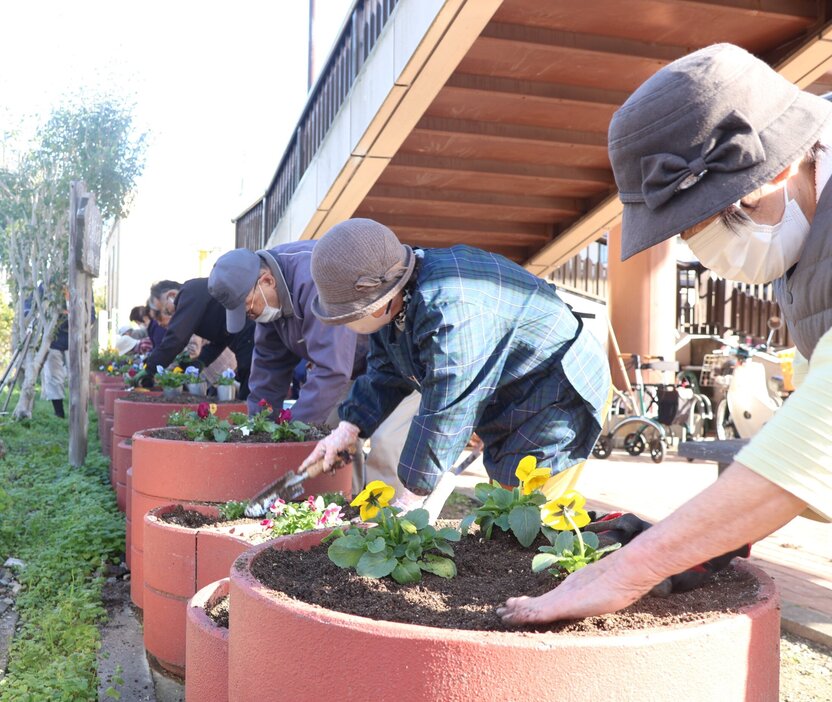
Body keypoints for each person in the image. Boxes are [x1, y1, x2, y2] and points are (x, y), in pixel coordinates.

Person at [498, 43, 832, 626]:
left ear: (773, 169)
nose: (700, 249)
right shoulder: (804, 238)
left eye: (702, 221)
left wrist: (628, 571)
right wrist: (708, 537)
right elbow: (806, 421)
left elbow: (818, 442)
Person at [299, 218, 610, 517]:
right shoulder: (398, 295)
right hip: (515, 393)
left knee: (529, 515)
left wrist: (412, 496)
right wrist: (348, 428)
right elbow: (385, 372)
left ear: (379, 301)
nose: (345, 325)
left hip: (559, 389)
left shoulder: (451, 309)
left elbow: (448, 408)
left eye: (347, 316)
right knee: (506, 505)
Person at [208, 244, 422, 492]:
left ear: (266, 281)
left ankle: (388, 523)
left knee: (386, 446)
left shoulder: (314, 280)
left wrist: (294, 435)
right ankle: (347, 513)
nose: (250, 315)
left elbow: (331, 370)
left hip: (400, 364)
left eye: (248, 306)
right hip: (353, 371)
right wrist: (260, 432)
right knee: (332, 444)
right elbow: (269, 367)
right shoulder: (270, 302)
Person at [141, 278, 256, 399]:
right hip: (246, 341)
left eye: (160, 313)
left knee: (252, 391)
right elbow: (220, 339)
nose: (161, 322)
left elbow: (176, 338)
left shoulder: (189, 293)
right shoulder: (193, 294)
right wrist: (200, 362)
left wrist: (150, 368)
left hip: (250, 338)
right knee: (250, 389)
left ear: (171, 295)